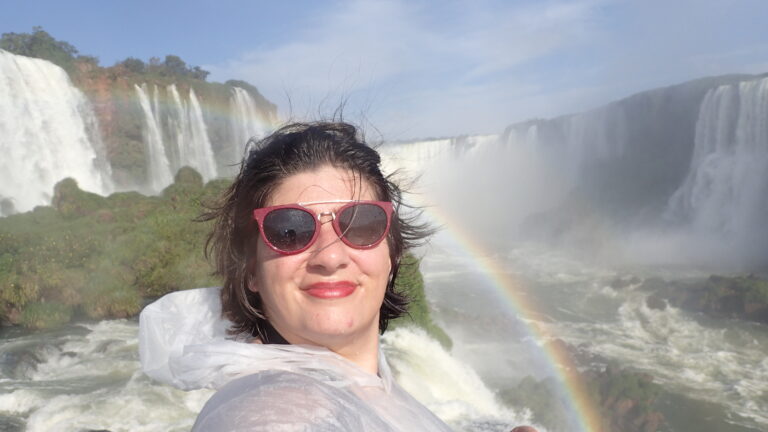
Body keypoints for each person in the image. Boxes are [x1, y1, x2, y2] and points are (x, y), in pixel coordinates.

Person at [138, 121, 453, 431]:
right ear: (251, 270)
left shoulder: (374, 390)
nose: (330, 257)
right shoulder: (273, 416)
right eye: (289, 231)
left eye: (361, 224)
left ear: (392, 252)